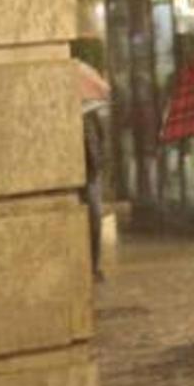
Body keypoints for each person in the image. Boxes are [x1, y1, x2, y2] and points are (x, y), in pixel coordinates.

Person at [82, 107, 107, 283]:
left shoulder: (91, 114)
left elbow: (101, 138)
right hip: (76, 174)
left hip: (92, 173)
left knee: (95, 218)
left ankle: (94, 266)